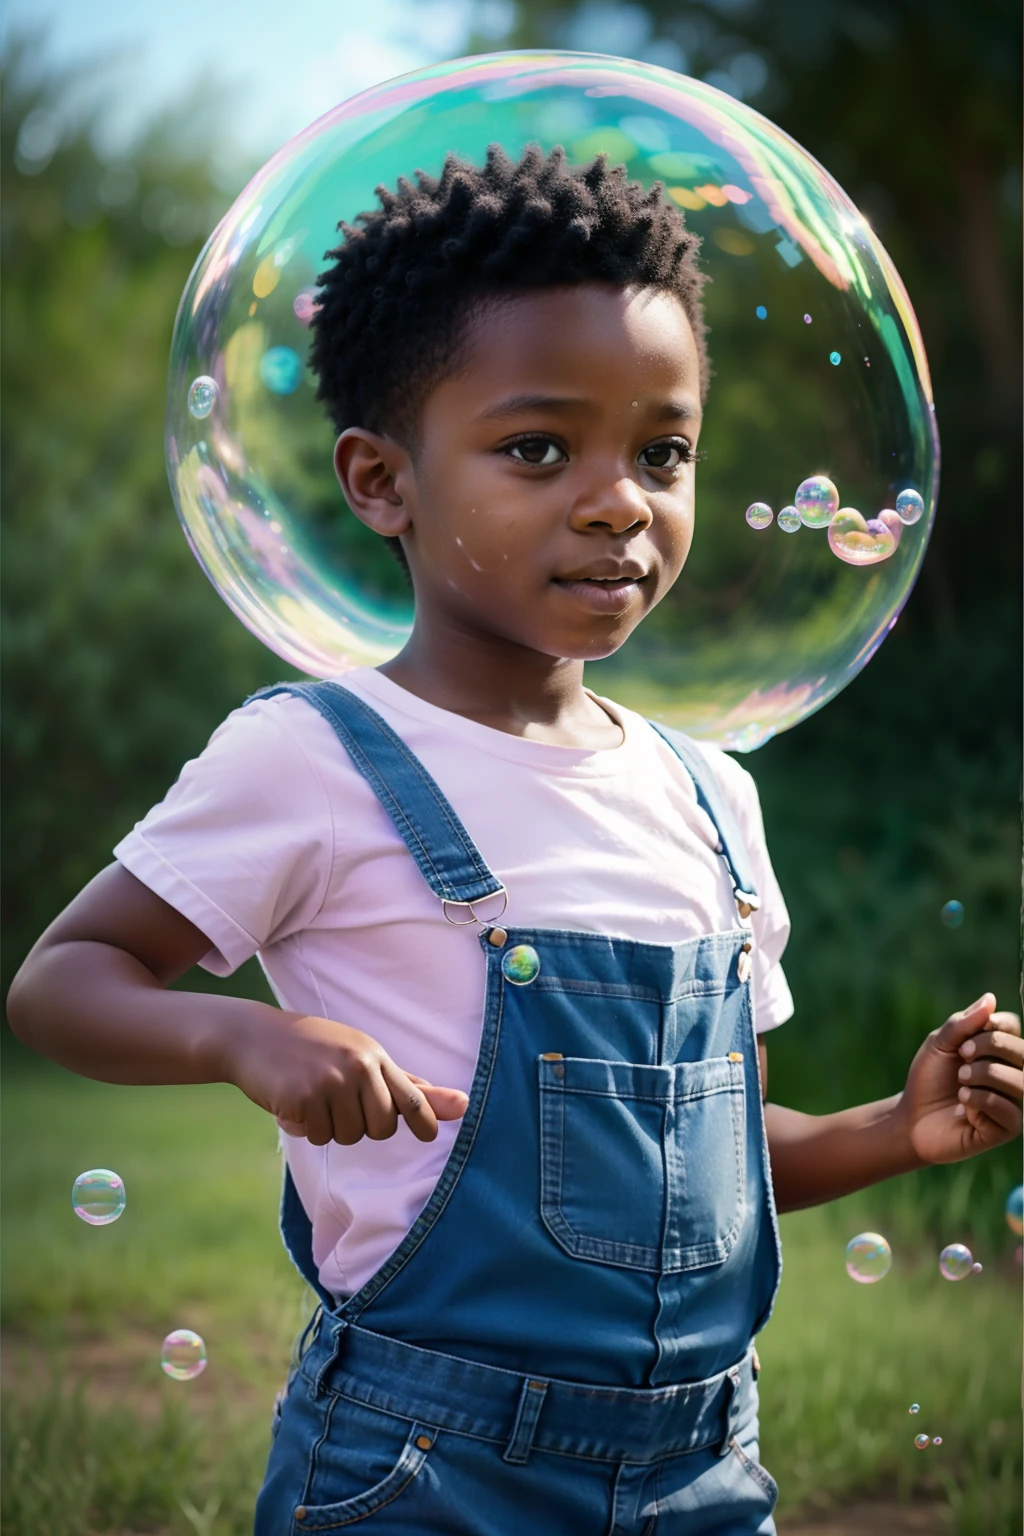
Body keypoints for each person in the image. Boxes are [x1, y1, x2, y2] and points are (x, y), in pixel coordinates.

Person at [8, 145, 1021, 1535]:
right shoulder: (312, 759)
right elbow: (61, 980)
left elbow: (703, 1171)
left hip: (708, 1469)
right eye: (538, 448)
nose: (621, 500)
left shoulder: (712, 799)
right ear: (381, 480)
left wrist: (895, 1131)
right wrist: (240, 1040)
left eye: (661, 451)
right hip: (422, 1466)